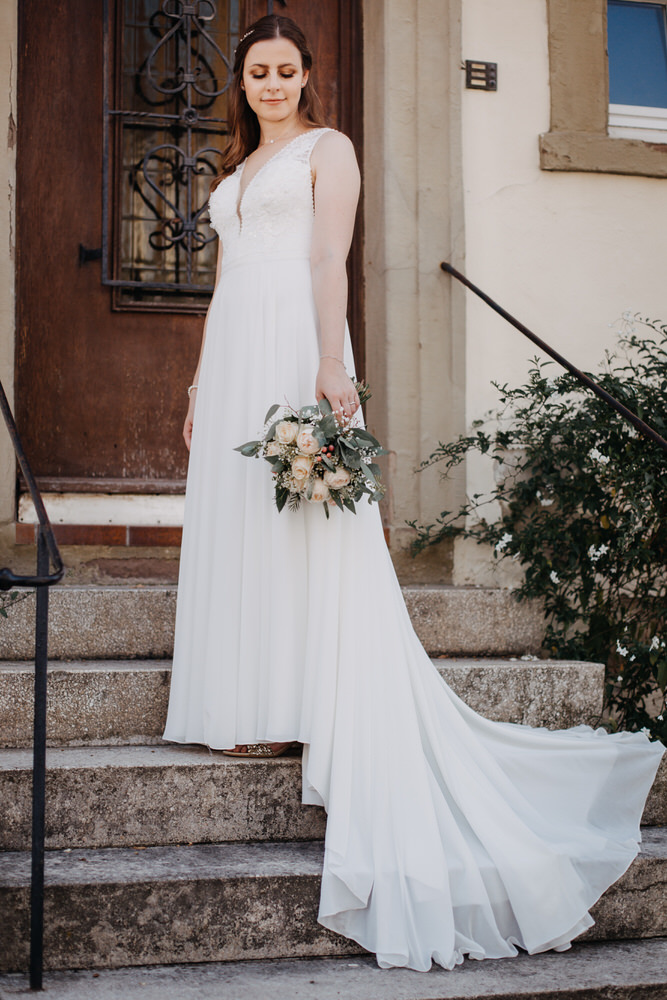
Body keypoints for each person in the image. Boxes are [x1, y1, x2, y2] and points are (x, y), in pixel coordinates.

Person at [163, 13, 664, 973]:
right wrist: (197, 383)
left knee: (303, 518)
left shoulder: (327, 149)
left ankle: (301, 703)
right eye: (257, 72)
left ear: (307, 77)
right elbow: (226, 280)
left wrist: (327, 364)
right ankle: (248, 705)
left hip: (295, 342)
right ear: (242, 80)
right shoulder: (231, 172)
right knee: (242, 521)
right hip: (234, 346)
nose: (271, 84)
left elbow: (326, 260)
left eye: (284, 71)